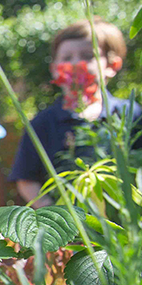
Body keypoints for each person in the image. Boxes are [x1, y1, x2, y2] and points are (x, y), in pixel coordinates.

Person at [9, 17, 142, 207]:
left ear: (112, 65)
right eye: (66, 58)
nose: (76, 64)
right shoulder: (42, 123)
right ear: (54, 69)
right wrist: (60, 216)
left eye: (87, 56)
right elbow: (26, 180)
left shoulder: (130, 114)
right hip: (67, 218)